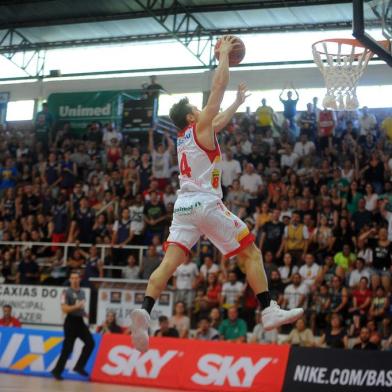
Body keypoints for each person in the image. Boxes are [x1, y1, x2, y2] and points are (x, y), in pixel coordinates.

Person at [130, 36, 303, 353]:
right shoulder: (200, 126)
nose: (205, 109)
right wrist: (223, 55)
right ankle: (269, 309)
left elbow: (219, 118)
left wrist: (237, 105)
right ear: (193, 117)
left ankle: (145, 310)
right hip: (206, 204)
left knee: (170, 263)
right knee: (250, 251)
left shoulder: (185, 137)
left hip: (182, 207)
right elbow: (218, 89)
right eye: (199, 109)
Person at [51, 271, 95, 381]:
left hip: (80, 321)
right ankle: (57, 371)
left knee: (90, 343)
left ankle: (79, 366)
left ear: (80, 279)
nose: (75, 280)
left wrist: (84, 313)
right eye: (72, 278)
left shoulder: (82, 293)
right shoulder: (66, 292)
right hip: (70, 322)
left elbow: (80, 307)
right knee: (67, 349)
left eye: (76, 278)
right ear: (70, 280)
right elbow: (64, 309)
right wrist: (76, 307)